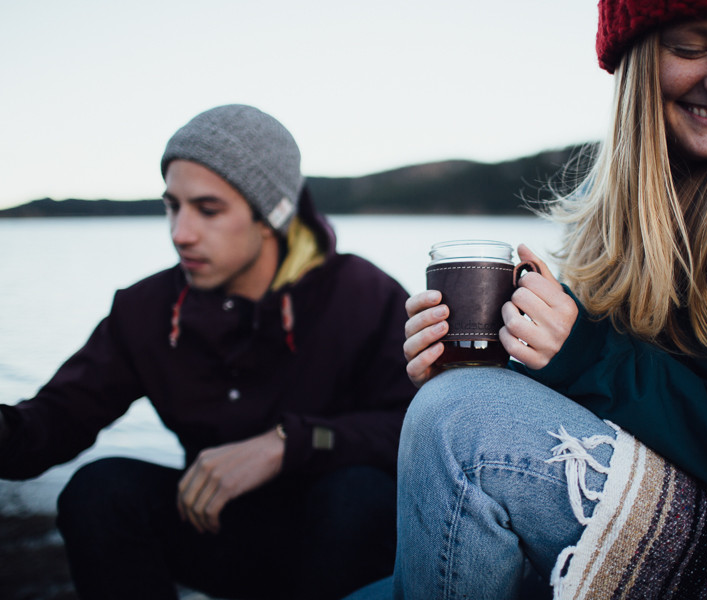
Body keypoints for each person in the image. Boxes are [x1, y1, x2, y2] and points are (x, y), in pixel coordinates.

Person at [351, 0, 707, 598]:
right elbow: (620, 392)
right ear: (634, 63)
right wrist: (505, 357)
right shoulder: (618, 200)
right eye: (691, 48)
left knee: (459, 421)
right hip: (689, 484)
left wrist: (581, 355)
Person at [0, 104, 417, 599]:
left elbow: (414, 430)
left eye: (208, 209)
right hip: (217, 531)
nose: (181, 233)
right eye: (172, 206)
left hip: (338, 544)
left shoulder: (362, 295)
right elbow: (54, 421)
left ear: (272, 216)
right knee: (99, 491)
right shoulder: (147, 310)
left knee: (359, 494)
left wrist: (287, 444)